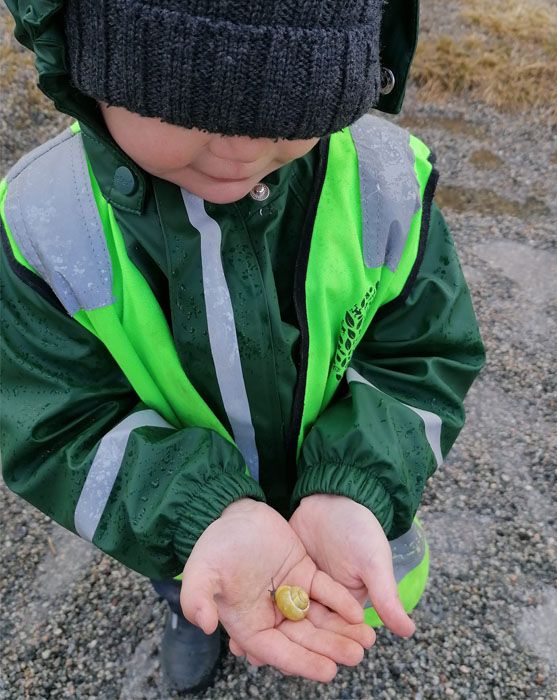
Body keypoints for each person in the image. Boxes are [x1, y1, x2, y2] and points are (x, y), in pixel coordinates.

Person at [0, 0, 485, 693]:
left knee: (357, 588)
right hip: (178, 522)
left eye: (289, 112)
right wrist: (201, 516)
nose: (242, 150)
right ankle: (192, 614)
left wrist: (359, 484)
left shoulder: (387, 186)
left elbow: (423, 358)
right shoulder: (44, 226)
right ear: (92, 64)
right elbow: (57, 424)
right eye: (187, 109)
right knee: (193, 583)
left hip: (351, 497)